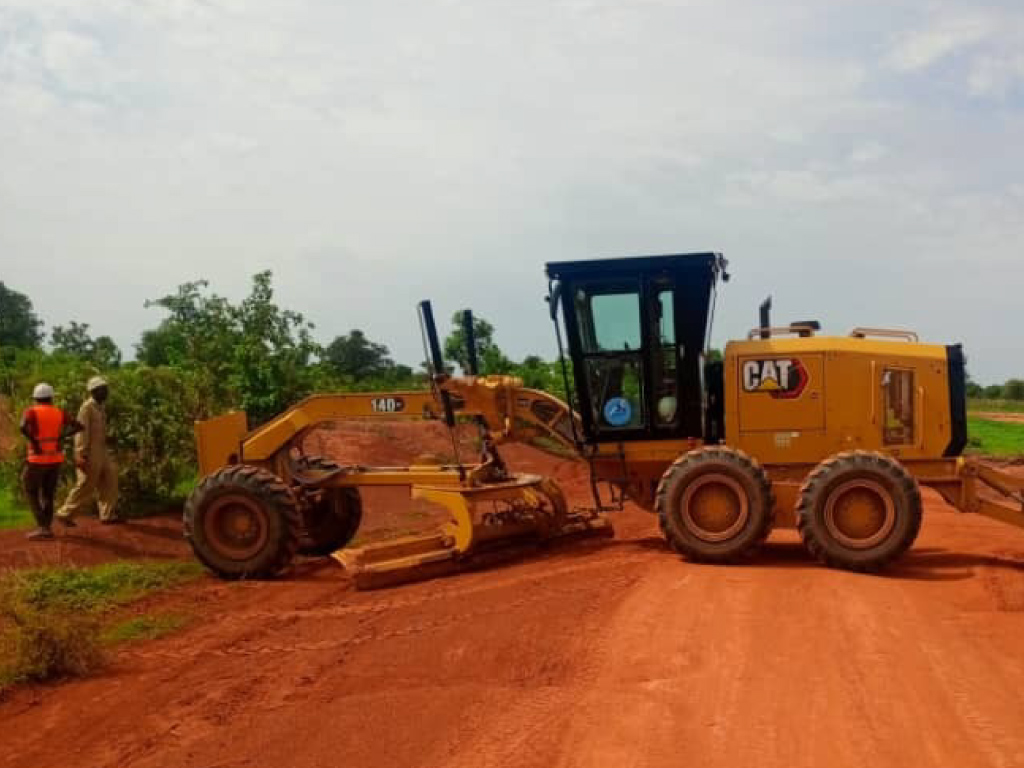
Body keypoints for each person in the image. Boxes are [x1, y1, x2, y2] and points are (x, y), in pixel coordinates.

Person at [20, 383, 83, 540]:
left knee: (30, 491)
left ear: (35, 398)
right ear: (51, 398)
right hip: (55, 459)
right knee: (48, 493)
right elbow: (79, 426)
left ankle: (43, 527)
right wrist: (61, 437)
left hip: (36, 459)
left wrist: (34, 442)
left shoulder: (31, 411)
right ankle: (46, 528)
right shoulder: (59, 412)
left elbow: (22, 427)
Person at [56, 376, 122, 526]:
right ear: (94, 391)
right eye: (103, 389)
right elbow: (81, 431)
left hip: (102, 450)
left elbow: (98, 430)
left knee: (110, 477)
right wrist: (80, 453)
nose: (107, 392)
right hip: (89, 450)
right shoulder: (87, 408)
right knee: (87, 483)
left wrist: (108, 438)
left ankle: (107, 514)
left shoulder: (101, 407)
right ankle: (64, 513)